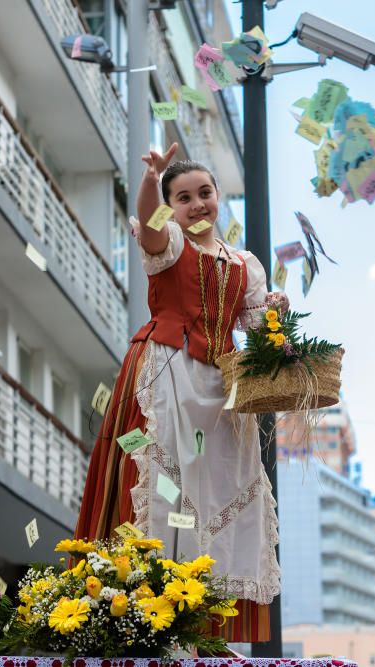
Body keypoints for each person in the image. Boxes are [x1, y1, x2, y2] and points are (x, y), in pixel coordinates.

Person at [75, 143, 282, 642]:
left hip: (221, 391)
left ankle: (201, 627)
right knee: (167, 485)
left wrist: (276, 309)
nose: (197, 204)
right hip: (167, 374)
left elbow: (257, 327)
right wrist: (150, 181)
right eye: (183, 196)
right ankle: (153, 618)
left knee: (218, 493)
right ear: (172, 204)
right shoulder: (167, 242)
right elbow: (148, 224)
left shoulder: (244, 263)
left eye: (205, 193)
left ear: (216, 198)